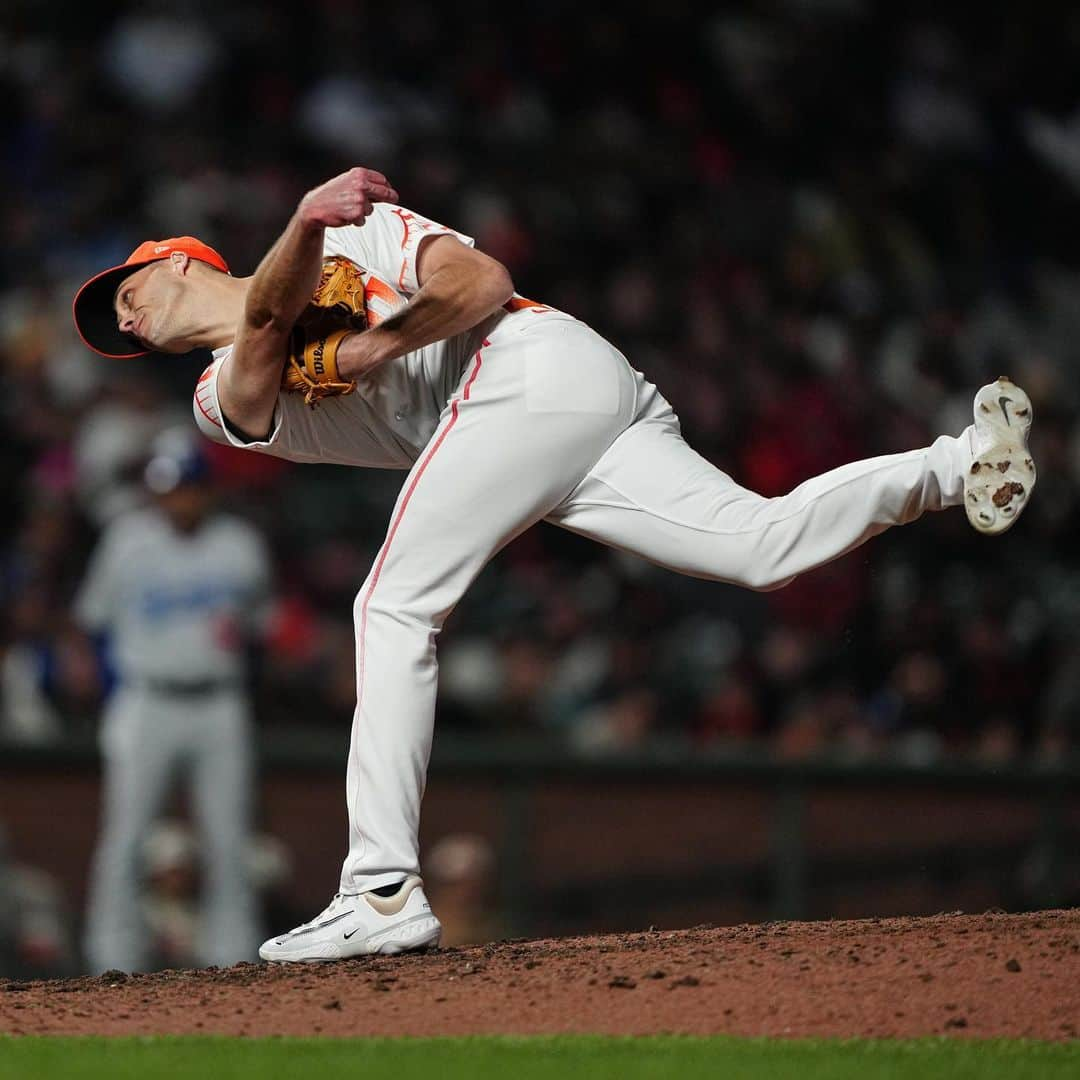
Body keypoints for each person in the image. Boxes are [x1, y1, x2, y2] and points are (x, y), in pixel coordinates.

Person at [71, 166, 1036, 963]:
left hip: (528, 362)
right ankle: (958, 464)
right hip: (539, 414)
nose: (127, 319)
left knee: (390, 608)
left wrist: (376, 339)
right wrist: (307, 231)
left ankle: (378, 887)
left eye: (125, 291)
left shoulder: (358, 238)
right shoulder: (211, 398)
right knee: (760, 548)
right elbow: (263, 348)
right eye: (116, 324)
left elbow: (483, 285)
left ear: (178, 259)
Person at [73, 426, 272, 972]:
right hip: (146, 700)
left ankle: (232, 954)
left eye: (187, 486)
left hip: (219, 702)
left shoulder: (238, 544)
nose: (178, 498)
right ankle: (111, 956)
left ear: (207, 489)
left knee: (229, 836)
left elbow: (259, 631)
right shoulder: (126, 541)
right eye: (168, 487)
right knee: (127, 836)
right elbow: (92, 624)